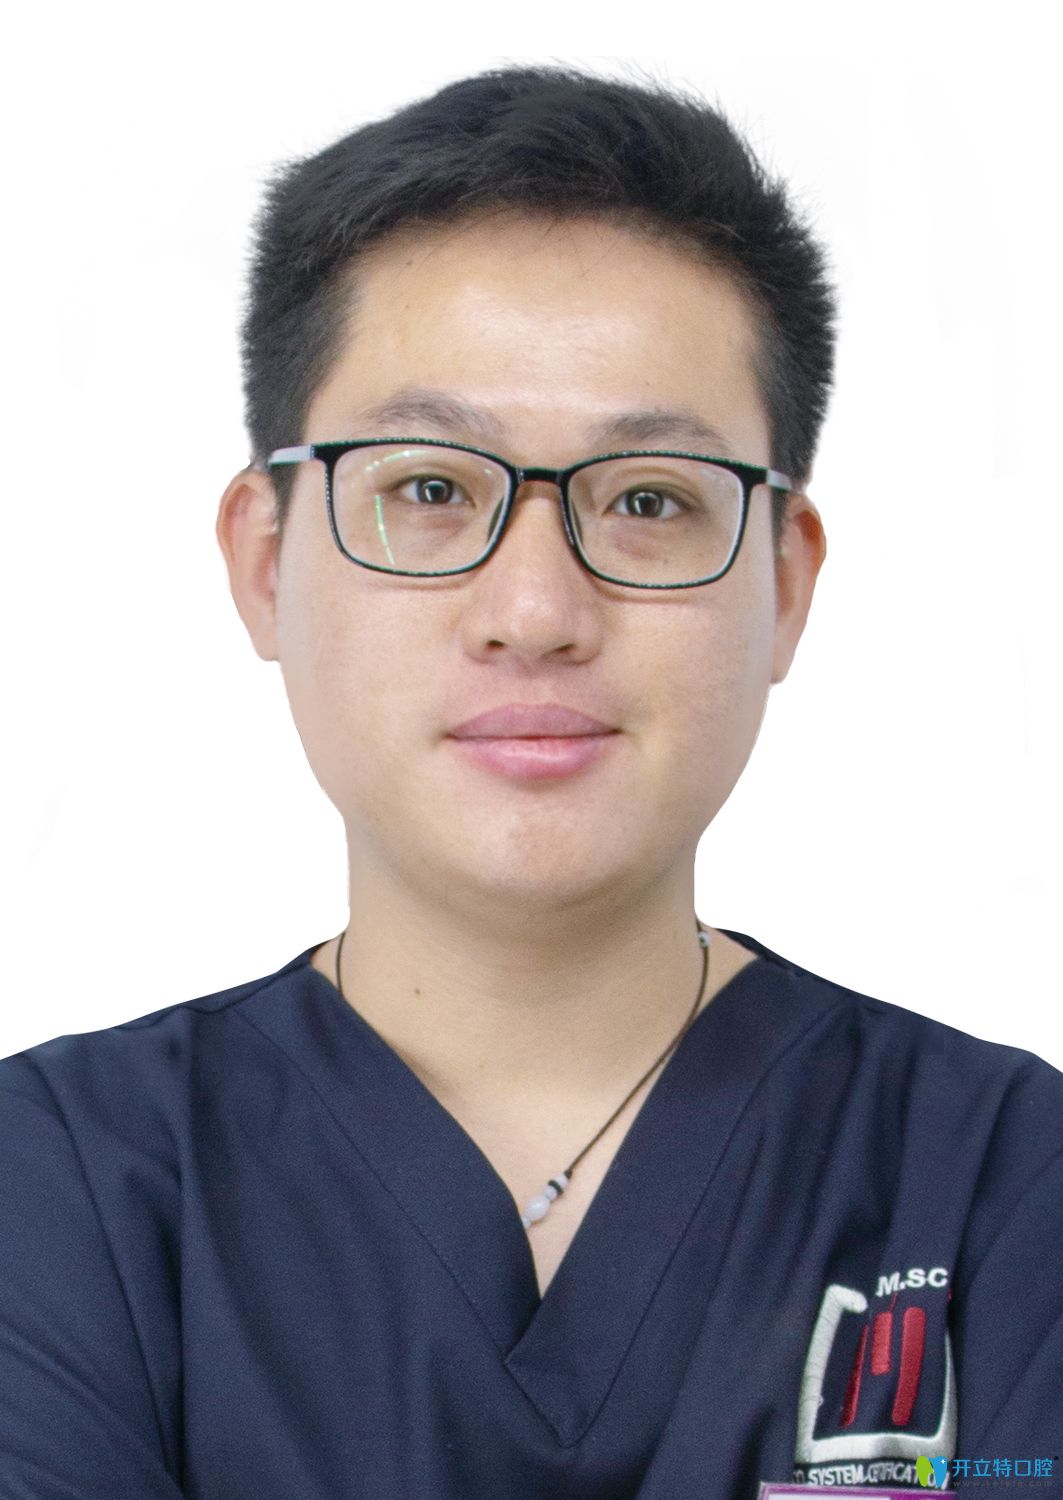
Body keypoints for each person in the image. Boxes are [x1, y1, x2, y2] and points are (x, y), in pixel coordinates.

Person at [1, 65, 1059, 1500]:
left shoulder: (1009, 1182)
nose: (537, 611)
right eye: (430, 489)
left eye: (650, 500)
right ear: (264, 562)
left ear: (786, 584)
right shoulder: (53, 1183)